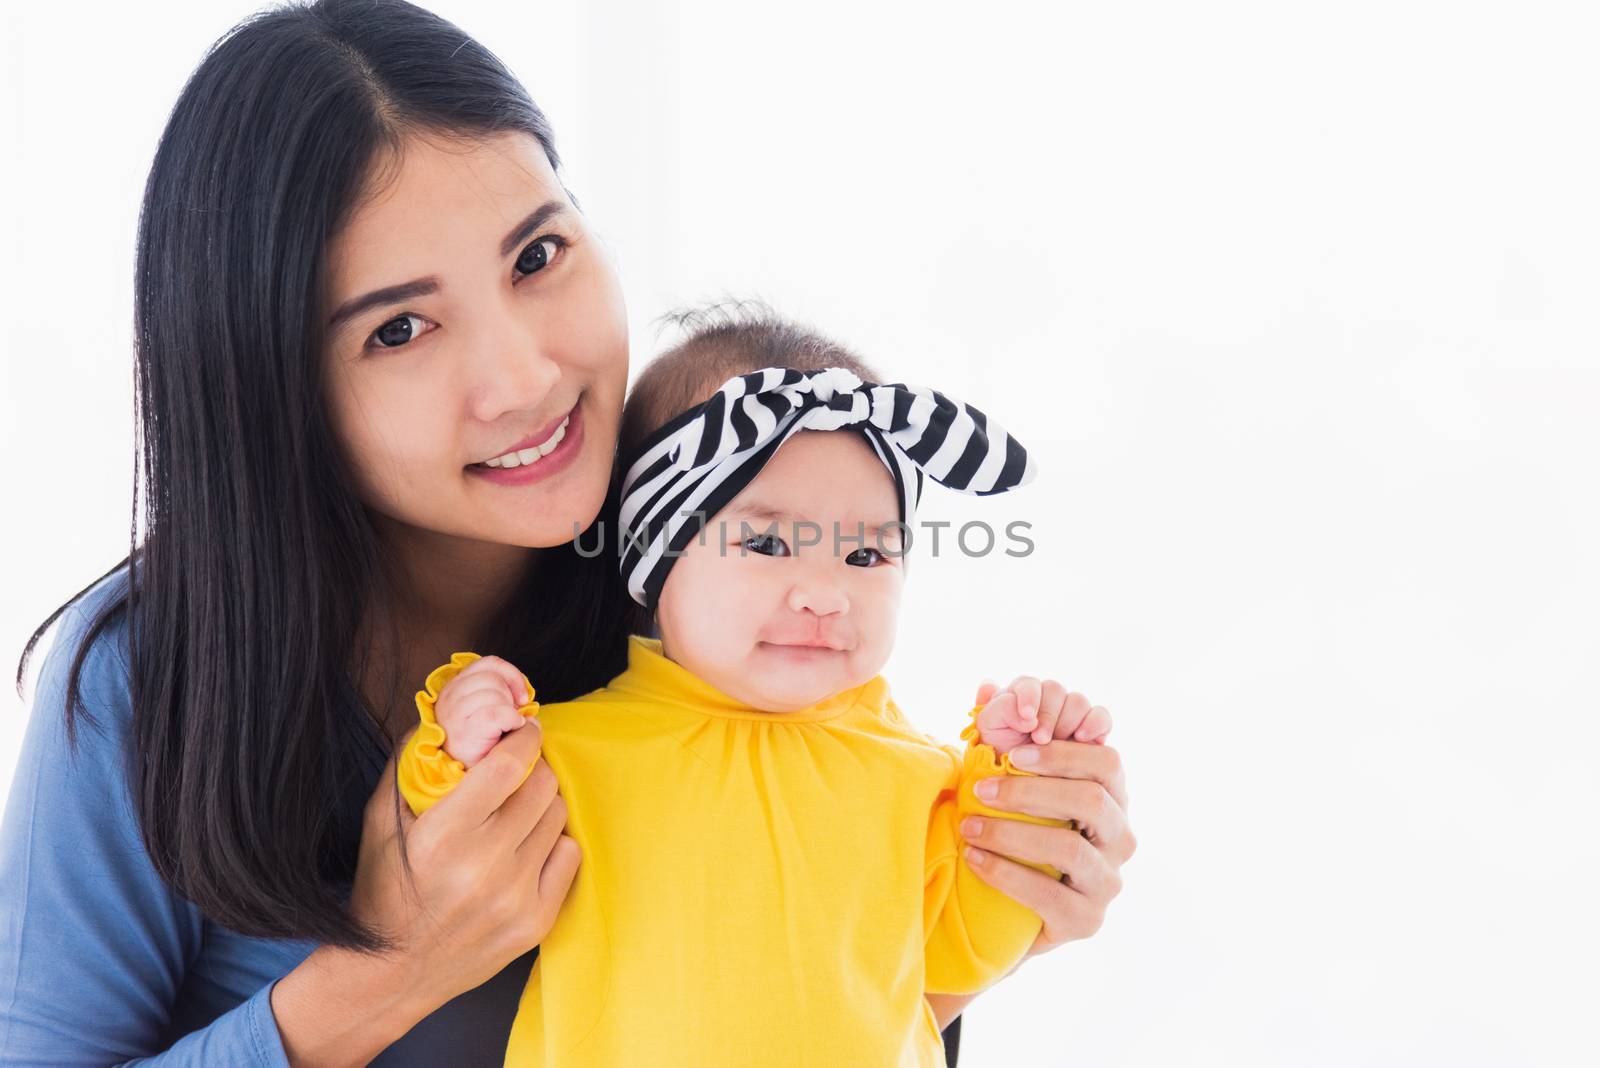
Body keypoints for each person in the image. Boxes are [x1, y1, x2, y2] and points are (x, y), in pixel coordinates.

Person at [0, 1, 1136, 1064]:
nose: (524, 376)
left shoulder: (700, 590)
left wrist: (995, 907)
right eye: (399, 328)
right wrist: (389, 970)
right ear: (270, 390)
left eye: (537, 257)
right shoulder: (148, 678)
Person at [396, 322, 1117, 1065]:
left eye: (866, 553)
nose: (825, 595)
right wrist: (460, 739)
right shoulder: (575, 748)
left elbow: (964, 953)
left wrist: (1022, 786)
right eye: (768, 545)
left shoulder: (919, 774)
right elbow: (450, 841)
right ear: (656, 557)